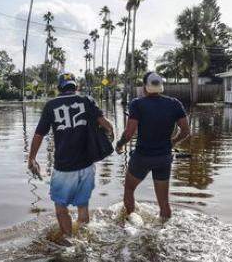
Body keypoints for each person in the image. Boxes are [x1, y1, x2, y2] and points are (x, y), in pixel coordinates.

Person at [28, 73, 114, 243]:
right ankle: (84, 240)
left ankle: (69, 241)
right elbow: (108, 126)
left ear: (59, 88)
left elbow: (39, 134)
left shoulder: (51, 105)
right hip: (87, 166)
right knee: (83, 207)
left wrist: (32, 158)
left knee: (61, 208)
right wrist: (108, 137)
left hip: (64, 167)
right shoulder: (87, 101)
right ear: (76, 87)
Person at [116, 71, 190, 221]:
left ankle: (131, 222)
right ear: (161, 86)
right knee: (164, 203)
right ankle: (164, 229)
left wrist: (119, 145)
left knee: (129, 189)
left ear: (145, 87)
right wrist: (173, 142)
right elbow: (186, 131)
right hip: (163, 158)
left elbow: (129, 133)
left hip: (142, 157)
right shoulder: (174, 104)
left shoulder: (137, 104)